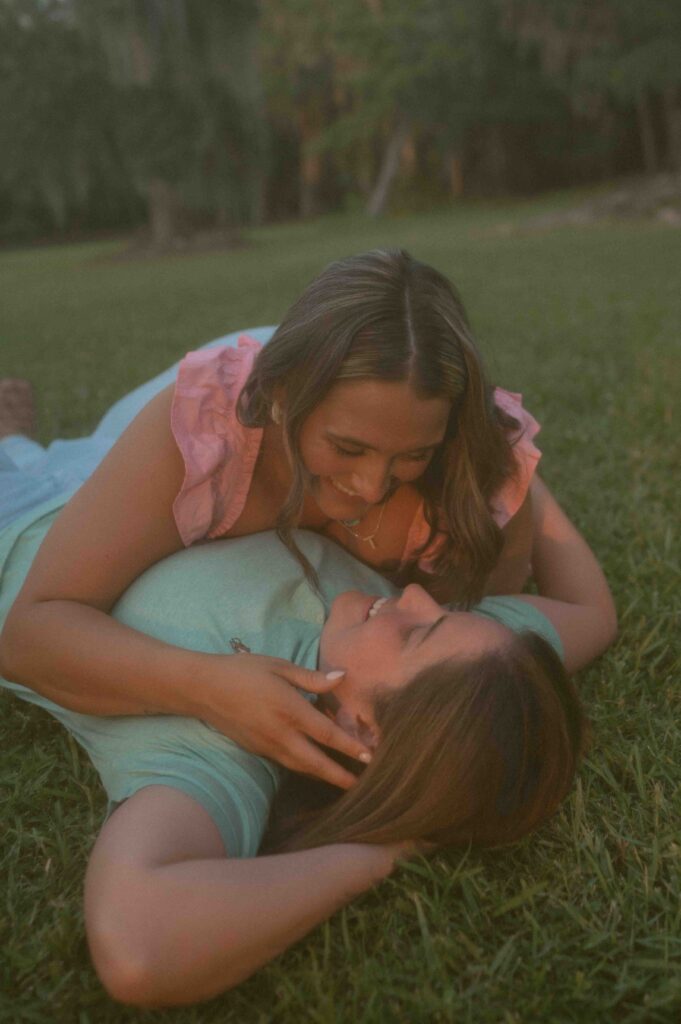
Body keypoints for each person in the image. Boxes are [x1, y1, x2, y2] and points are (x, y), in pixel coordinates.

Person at [0, 417, 616, 1006]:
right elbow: (591, 612)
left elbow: (138, 945)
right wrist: (507, 449)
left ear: (361, 729)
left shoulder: (226, 750)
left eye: (416, 634)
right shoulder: (478, 665)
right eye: (448, 613)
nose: (417, 596)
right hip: (117, 475)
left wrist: (388, 850)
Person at [0, 249, 543, 791]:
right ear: (283, 394)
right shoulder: (201, 436)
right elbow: (27, 635)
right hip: (116, 461)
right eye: (348, 448)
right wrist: (208, 688)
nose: (373, 486)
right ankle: (12, 439)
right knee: (45, 482)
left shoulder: (469, 473)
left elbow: (495, 618)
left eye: (413, 455)